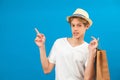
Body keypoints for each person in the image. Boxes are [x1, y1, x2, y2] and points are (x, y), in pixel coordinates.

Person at [35, 8, 98, 80]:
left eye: (79, 25)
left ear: (87, 26)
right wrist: (41, 46)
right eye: (73, 25)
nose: (75, 29)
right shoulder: (59, 43)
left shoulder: (89, 49)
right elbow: (47, 70)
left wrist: (92, 52)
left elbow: (88, 78)